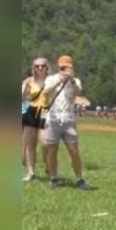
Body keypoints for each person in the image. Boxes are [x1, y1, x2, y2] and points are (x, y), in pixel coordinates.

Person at [41, 55, 90, 189]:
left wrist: (71, 80)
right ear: (58, 67)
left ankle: (80, 178)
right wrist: (59, 81)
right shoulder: (51, 79)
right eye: (62, 67)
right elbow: (45, 92)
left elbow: (78, 92)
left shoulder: (75, 80)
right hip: (53, 118)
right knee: (52, 150)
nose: (65, 69)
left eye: (67, 67)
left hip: (69, 119)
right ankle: (53, 177)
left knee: (74, 150)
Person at [21, 58, 49, 182]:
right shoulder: (29, 81)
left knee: (45, 144)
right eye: (37, 66)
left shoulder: (51, 81)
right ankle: (31, 172)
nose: (40, 68)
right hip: (31, 112)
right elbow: (22, 96)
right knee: (29, 145)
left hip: (46, 113)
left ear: (47, 67)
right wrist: (25, 91)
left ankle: (49, 167)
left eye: (42, 66)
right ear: (33, 68)